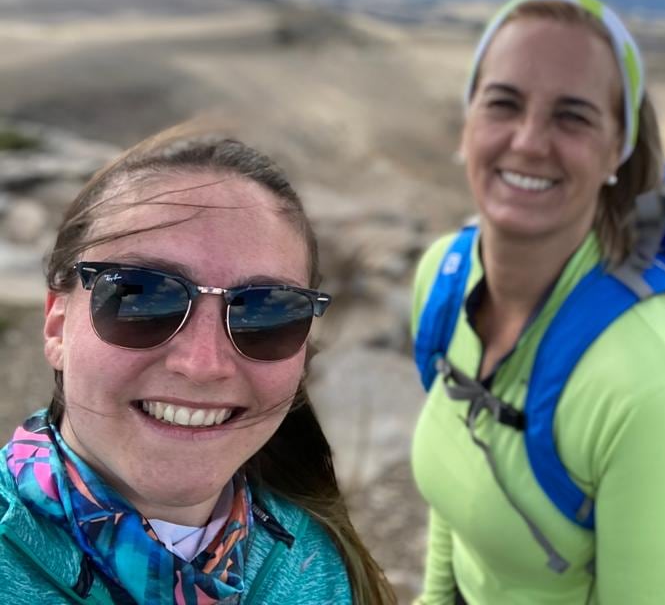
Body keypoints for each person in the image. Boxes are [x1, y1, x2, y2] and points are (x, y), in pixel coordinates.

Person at [410, 0, 665, 603]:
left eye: (572, 116)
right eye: (503, 104)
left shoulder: (654, 395)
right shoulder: (444, 275)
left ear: (616, 149)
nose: (529, 141)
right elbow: (462, 486)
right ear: (469, 123)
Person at [0, 126, 397, 605]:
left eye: (266, 311)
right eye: (139, 297)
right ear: (57, 325)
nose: (203, 364)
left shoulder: (322, 562)